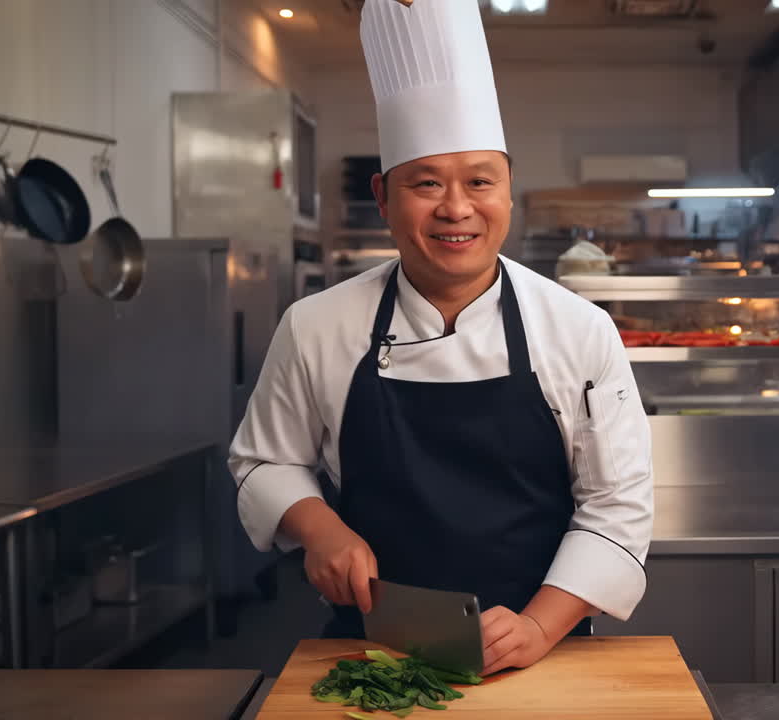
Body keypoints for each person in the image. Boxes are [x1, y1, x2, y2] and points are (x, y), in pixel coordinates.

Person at [230, 0, 652, 676]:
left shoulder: (578, 330)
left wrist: (540, 628)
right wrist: (320, 528)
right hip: (371, 652)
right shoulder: (317, 326)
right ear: (384, 196)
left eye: (479, 181)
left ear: (508, 192)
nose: (456, 208)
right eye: (426, 183)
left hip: (544, 651)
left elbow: (617, 509)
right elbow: (262, 462)